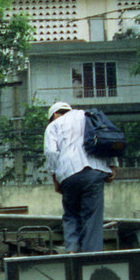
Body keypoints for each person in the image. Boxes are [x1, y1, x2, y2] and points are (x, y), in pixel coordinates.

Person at [43, 102, 116, 253]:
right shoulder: (88, 116)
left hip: (68, 174)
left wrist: (55, 178)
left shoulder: (53, 125)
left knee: (70, 214)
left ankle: (72, 250)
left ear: (55, 115)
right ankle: (92, 256)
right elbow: (108, 137)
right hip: (94, 172)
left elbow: (51, 152)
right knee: (92, 218)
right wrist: (113, 165)